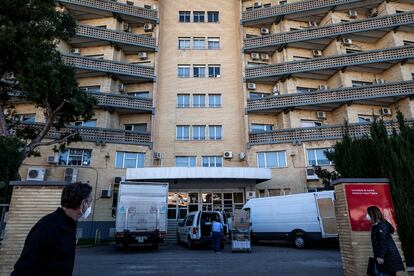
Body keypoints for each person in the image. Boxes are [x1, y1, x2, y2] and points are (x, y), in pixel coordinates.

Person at [12, 182, 93, 276]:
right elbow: (23, 266)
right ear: (83, 204)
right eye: (90, 203)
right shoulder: (47, 226)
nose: (90, 207)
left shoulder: (69, 225)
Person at [367, 206, 405, 276]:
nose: (367, 216)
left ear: (372, 214)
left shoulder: (381, 225)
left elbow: (383, 241)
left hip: (387, 257)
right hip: (387, 257)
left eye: (368, 214)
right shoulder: (377, 225)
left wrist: (380, 256)